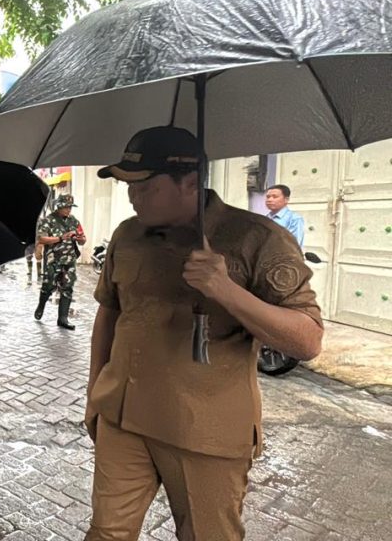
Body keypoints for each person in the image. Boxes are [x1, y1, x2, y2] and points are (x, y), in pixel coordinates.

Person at [84, 126, 323, 541]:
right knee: (106, 534)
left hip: (205, 433)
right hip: (123, 416)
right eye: (128, 186)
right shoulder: (127, 235)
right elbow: (109, 313)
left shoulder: (258, 239)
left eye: (145, 187)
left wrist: (225, 290)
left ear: (191, 182)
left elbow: (308, 340)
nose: (133, 196)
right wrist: (95, 393)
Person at [35, 194, 86, 330]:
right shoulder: (48, 220)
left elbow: (83, 239)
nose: (69, 210)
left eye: (70, 207)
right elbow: (41, 239)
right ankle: (41, 305)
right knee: (48, 286)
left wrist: (80, 239)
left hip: (69, 260)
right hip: (53, 260)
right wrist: (60, 238)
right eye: (66, 207)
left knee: (67, 287)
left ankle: (63, 319)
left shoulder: (74, 221)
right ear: (59, 206)